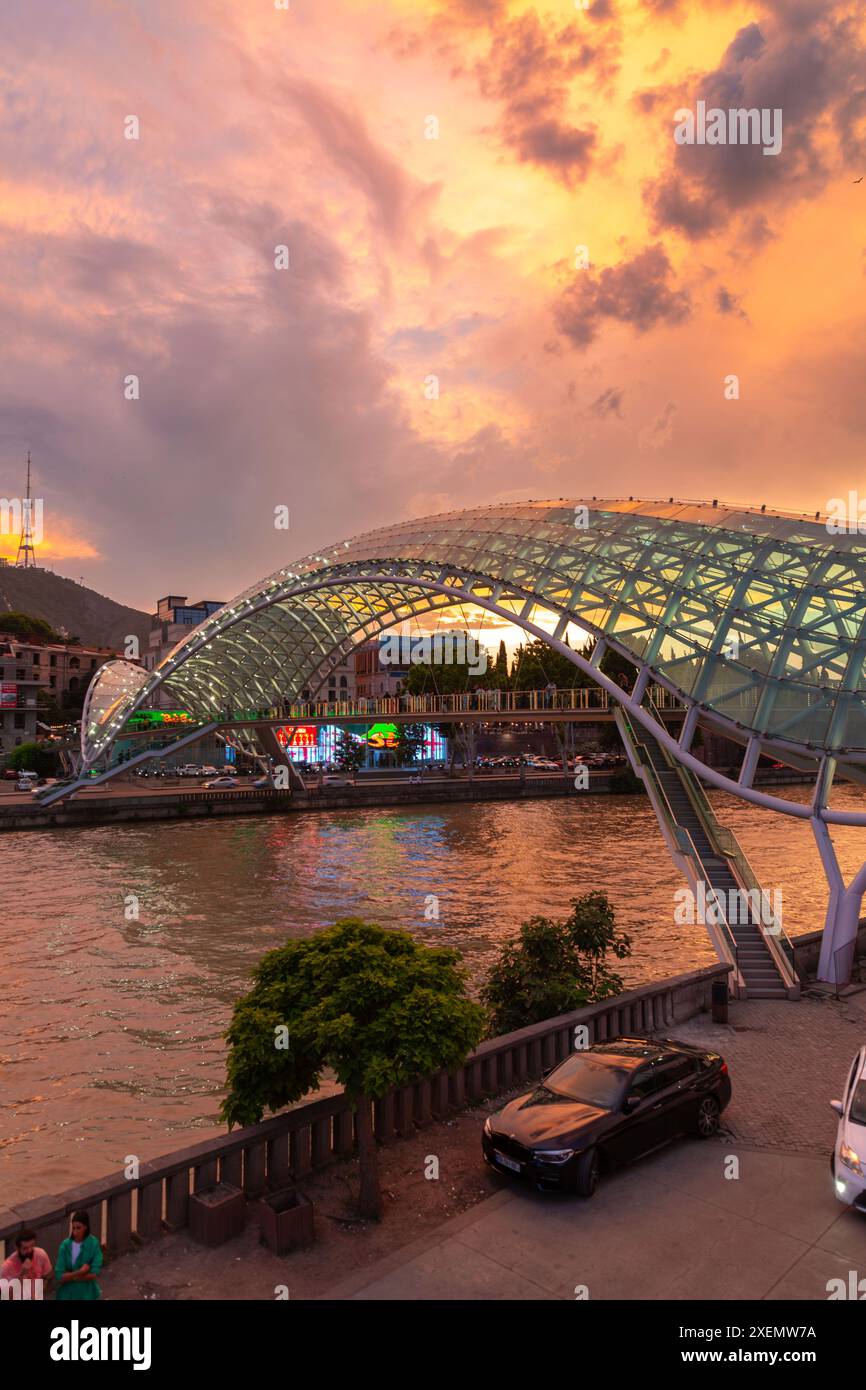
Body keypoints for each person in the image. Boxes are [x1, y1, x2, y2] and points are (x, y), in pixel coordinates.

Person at [54, 1211, 102, 1301]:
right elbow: (59, 1275)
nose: (75, 1231)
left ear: (85, 1227)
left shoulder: (93, 1243)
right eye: (73, 1228)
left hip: (87, 1293)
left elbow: (94, 1273)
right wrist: (79, 1272)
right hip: (68, 1294)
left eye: (78, 1228)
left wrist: (69, 1276)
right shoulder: (65, 1245)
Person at [1, 1229, 52, 1297]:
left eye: (32, 1245)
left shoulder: (41, 1254)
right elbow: (5, 1295)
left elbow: (48, 1275)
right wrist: (22, 1273)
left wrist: (40, 1291)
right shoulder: (7, 1267)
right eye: (25, 1248)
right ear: (17, 1248)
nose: (29, 1250)